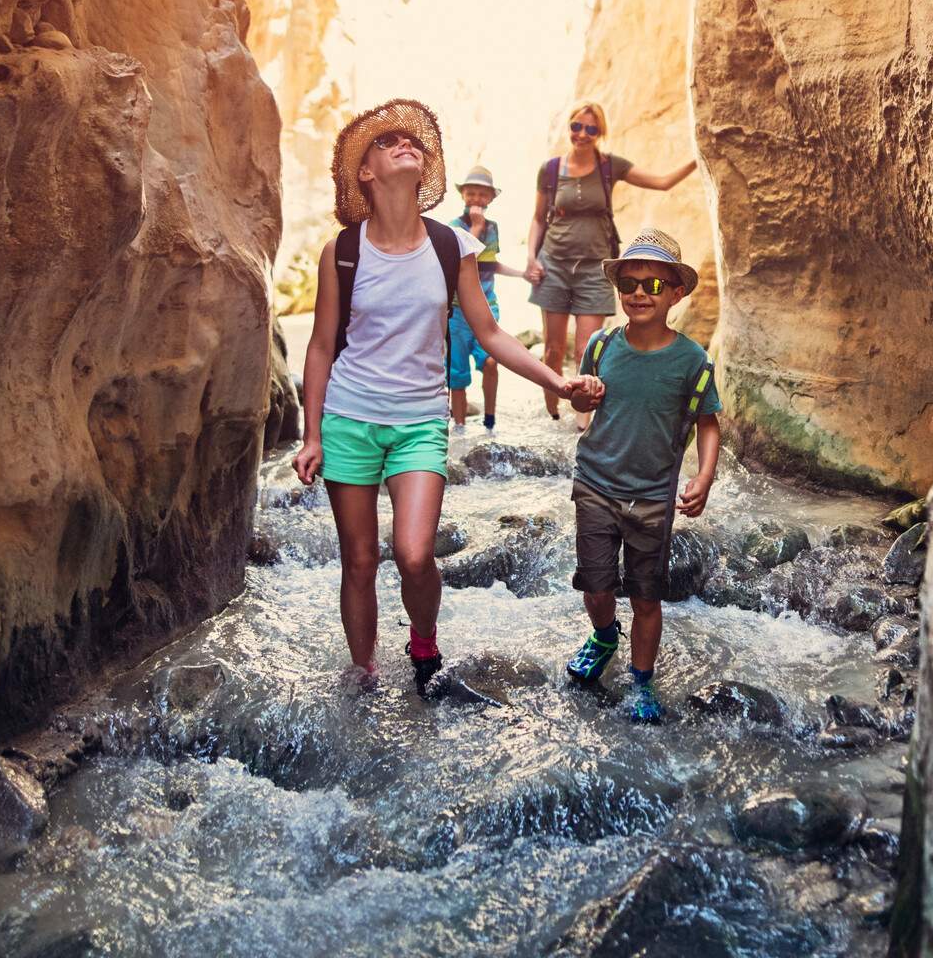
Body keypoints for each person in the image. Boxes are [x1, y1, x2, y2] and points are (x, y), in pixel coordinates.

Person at [294, 99, 597, 695]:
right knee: (358, 562)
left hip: (419, 422)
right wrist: (310, 434)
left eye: (413, 141)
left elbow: (488, 332)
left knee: (412, 553)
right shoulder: (343, 250)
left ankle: (423, 642)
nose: (405, 144)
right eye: (388, 143)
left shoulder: (451, 245)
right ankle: (364, 675)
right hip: (349, 417)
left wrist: (554, 381)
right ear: (366, 172)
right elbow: (321, 345)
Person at [561, 229, 722, 724]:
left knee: (647, 596)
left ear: (676, 293)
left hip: (652, 497)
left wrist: (705, 476)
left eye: (653, 286)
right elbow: (582, 405)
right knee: (596, 586)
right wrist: (580, 398)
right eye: (629, 283)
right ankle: (605, 634)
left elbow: (708, 422)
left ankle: (643, 682)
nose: (638, 293)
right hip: (594, 483)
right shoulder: (602, 343)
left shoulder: (692, 360)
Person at [525, 100, 698, 430]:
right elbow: (537, 219)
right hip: (554, 266)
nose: (582, 134)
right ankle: (552, 416)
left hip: (594, 268)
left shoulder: (609, 166)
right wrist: (531, 258)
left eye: (591, 129)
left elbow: (662, 182)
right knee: (552, 349)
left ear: (600, 132)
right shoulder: (549, 170)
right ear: (570, 127)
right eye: (577, 126)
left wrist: (700, 154)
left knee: (586, 351)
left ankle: (581, 426)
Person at [446, 164, 524, 436]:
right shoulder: (454, 227)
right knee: (457, 373)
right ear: (463, 196)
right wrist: (475, 227)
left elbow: (489, 264)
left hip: (487, 307)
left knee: (491, 362)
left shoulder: (493, 229)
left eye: (482, 194)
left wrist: (522, 274)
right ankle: (459, 428)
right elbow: (457, 259)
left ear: (490, 199)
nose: (476, 199)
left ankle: (490, 423)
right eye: (471, 194)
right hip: (456, 312)